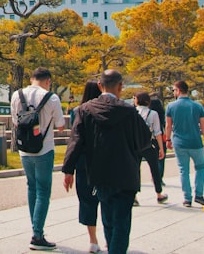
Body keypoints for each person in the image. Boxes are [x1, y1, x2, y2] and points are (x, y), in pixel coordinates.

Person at [62, 70, 153, 254]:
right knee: (122, 222)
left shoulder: (85, 110)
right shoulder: (128, 111)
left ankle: (112, 248)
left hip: (100, 173)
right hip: (126, 172)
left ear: (99, 85)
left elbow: (76, 141)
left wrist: (68, 170)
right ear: (120, 86)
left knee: (108, 218)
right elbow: (144, 139)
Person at [10, 67, 66, 251]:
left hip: (24, 150)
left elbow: (16, 122)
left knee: (31, 186)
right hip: (44, 149)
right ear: (48, 80)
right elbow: (60, 126)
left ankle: (36, 228)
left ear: (32, 78)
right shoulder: (52, 97)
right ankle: (37, 234)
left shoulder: (17, 95)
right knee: (43, 190)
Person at [165, 80, 204, 208]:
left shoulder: (171, 106)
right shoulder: (197, 106)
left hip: (179, 142)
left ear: (178, 90)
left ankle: (187, 198)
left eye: (174, 90)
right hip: (196, 142)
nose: (173, 92)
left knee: (183, 170)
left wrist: (168, 139)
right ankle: (199, 195)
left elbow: (168, 125)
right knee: (200, 168)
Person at [72, 80, 104, 253]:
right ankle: (109, 236)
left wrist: (69, 168)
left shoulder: (78, 111)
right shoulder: (105, 109)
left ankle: (93, 239)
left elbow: (75, 139)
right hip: (103, 159)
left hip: (84, 160)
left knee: (87, 200)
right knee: (106, 198)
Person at [134, 92, 168, 205]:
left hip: (135, 145)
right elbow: (158, 132)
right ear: (148, 101)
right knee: (155, 169)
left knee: (135, 170)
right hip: (150, 144)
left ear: (136, 100)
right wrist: (161, 148)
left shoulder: (132, 112)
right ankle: (159, 194)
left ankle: (134, 196)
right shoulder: (153, 113)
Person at [149, 95, 167, 178]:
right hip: (161, 136)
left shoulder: (150, 114)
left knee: (153, 159)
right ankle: (160, 177)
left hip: (151, 138)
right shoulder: (161, 115)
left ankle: (154, 177)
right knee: (161, 159)